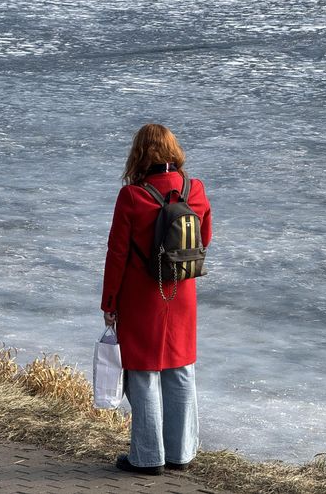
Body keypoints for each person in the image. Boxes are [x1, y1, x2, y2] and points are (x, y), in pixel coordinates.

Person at [101, 124, 212, 475]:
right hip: (181, 292)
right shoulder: (195, 188)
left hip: (141, 295)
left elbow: (117, 253)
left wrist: (110, 302)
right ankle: (181, 454)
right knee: (180, 370)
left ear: (139, 154)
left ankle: (148, 458)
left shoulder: (132, 196)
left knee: (144, 373)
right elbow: (204, 237)